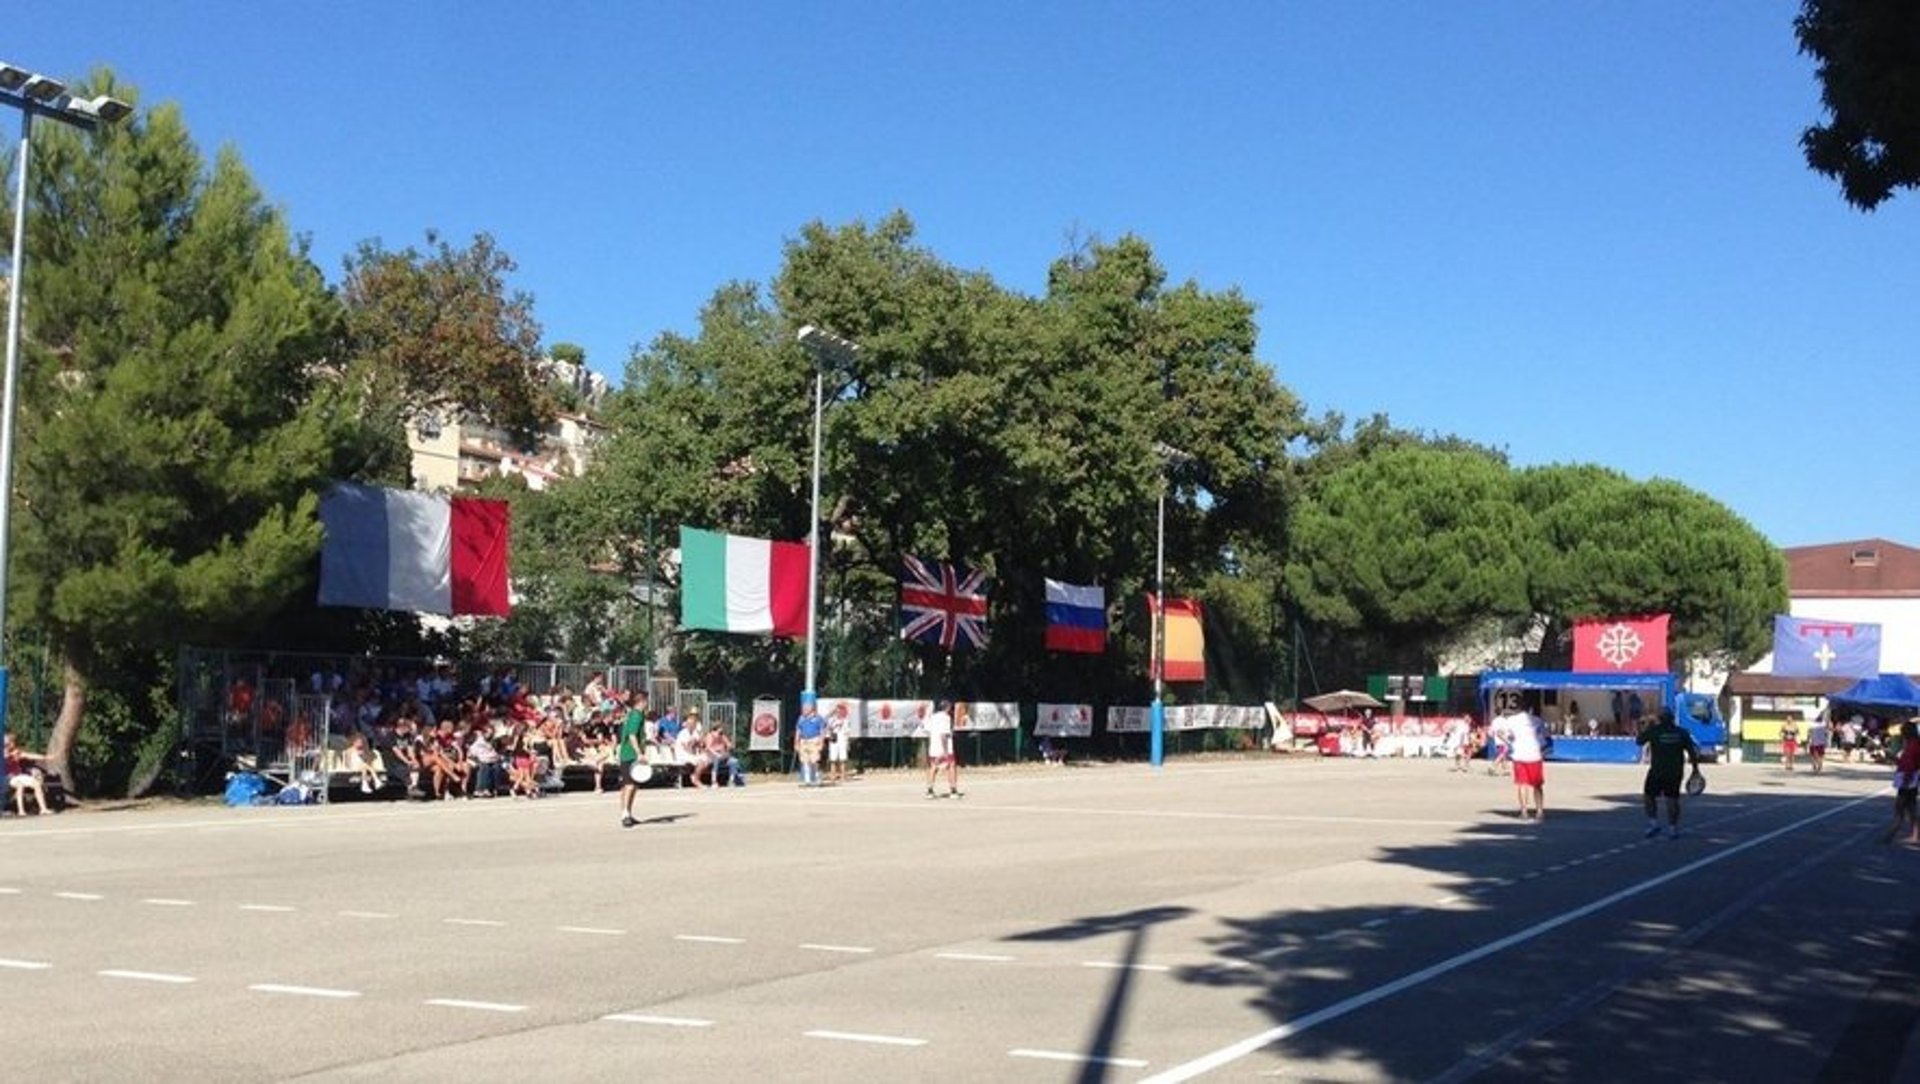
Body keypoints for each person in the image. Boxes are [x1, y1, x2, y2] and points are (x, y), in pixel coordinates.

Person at [1636, 708, 1701, 839]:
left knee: (1649, 796)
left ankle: (1653, 823)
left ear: (1660, 719)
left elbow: (1639, 741)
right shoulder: (1681, 732)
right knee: (1672, 799)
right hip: (1675, 772)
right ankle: (1673, 828)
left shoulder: (1654, 731)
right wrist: (1695, 769)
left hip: (1657, 772)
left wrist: (1646, 727)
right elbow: (1692, 752)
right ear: (1672, 719)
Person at [1491, 701, 1546, 821]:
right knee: (1537, 785)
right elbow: (1543, 738)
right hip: (1535, 755)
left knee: (1522, 784)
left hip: (1519, 755)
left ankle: (1524, 812)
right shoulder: (1537, 720)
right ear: (1531, 708)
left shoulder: (1512, 720)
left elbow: (1499, 733)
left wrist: (1510, 743)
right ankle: (1539, 812)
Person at [1883, 720, 1920, 845]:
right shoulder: (1911, 744)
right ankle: (1914, 835)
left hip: (1908, 779)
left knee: (1901, 807)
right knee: (1910, 807)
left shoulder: (1913, 745)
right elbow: (1905, 762)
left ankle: (1892, 833)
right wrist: (1893, 758)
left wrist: (1907, 779)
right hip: (1909, 778)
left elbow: (1911, 764)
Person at [617, 690, 648, 828]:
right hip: (630, 754)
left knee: (631, 785)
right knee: (630, 785)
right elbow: (632, 735)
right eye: (646, 700)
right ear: (642, 701)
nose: (647, 703)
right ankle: (625, 814)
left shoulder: (633, 714)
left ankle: (627, 812)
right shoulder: (636, 715)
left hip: (627, 753)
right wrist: (639, 753)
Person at [4, 732, 50, 816]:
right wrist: (11, 754)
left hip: (19, 776)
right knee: (20, 785)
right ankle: (21, 811)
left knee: (36, 784)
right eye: (8, 742)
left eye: (12, 742)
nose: (10, 744)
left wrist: (45, 757)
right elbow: (5, 758)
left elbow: (30, 755)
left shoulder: (17, 753)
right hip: (8, 778)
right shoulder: (5, 752)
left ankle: (43, 809)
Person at [923, 699, 961, 799]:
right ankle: (953, 790)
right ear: (947, 708)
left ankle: (930, 791)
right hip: (945, 748)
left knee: (933, 767)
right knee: (951, 766)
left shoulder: (932, 717)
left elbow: (927, 730)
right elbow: (943, 735)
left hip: (934, 747)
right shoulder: (946, 718)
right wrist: (945, 751)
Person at [794, 695, 826, 787]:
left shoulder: (818, 718)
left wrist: (821, 742)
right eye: (803, 708)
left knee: (815, 761)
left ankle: (817, 779)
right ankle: (807, 781)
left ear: (811, 709)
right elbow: (798, 730)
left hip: (814, 740)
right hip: (804, 741)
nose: (803, 710)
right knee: (805, 761)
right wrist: (796, 742)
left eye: (805, 709)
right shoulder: (801, 718)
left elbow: (822, 731)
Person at [825, 701, 851, 784]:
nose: (838, 712)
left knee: (842, 759)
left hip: (842, 740)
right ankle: (833, 776)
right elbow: (826, 724)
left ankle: (843, 776)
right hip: (834, 740)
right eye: (837, 711)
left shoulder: (846, 720)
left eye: (840, 711)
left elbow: (847, 732)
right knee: (833, 759)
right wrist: (832, 712)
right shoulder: (831, 720)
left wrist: (847, 742)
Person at [1806, 711, 1831, 775]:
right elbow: (1827, 733)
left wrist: (1808, 741)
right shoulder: (1823, 726)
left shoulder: (1812, 725)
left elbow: (1809, 734)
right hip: (1821, 743)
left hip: (1814, 743)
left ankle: (1815, 766)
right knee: (1820, 756)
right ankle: (1819, 768)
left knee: (1814, 756)